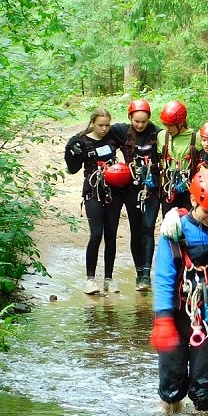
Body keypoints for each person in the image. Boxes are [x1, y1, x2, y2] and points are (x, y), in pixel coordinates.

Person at [150, 168, 208, 413]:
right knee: (172, 385)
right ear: (193, 201)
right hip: (177, 313)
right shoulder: (173, 232)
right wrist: (163, 320)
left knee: (204, 386)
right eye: (206, 211)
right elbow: (164, 278)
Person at [64, 108, 128, 295]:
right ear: (93, 123)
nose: (104, 128)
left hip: (114, 192)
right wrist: (70, 150)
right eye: (100, 125)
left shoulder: (112, 139)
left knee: (111, 234)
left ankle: (109, 279)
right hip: (93, 192)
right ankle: (90, 279)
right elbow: (73, 168)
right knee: (96, 234)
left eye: (107, 125)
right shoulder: (83, 142)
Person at [112, 99, 161, 292]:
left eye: (144, 121)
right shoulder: (121, 131)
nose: (140, 125)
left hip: (153, 188)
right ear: (130, 118)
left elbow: (184, 140)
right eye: (136, 121)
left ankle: (146, 276)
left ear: (149, 119)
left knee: (148, 228)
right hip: (132, 190)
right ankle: (139, 272)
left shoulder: (157, 133)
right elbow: (99, 133)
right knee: (136, 230)